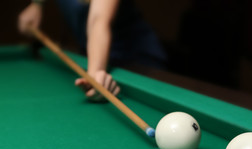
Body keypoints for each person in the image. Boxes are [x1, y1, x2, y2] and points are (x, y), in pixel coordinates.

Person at [18, 0, 166, 102]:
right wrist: (36, 5)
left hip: (135, 61)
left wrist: (95, 74)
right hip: (93, 55)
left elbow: (98, 20)